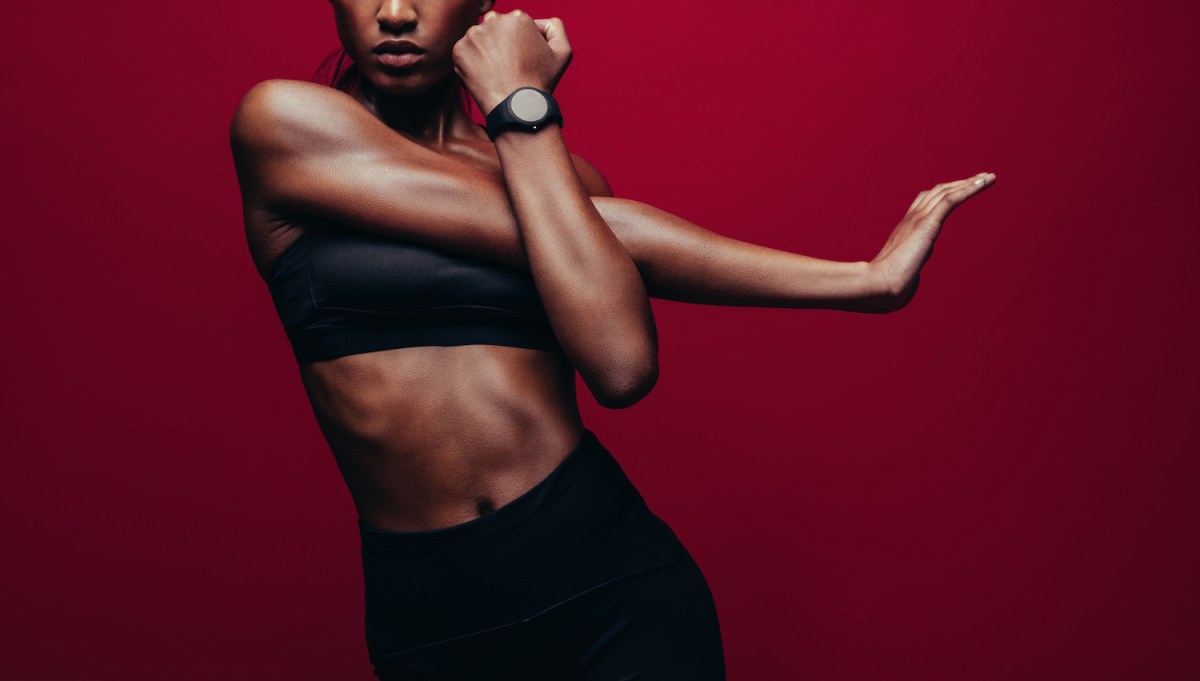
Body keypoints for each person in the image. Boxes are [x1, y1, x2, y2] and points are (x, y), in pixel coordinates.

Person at [229, 1, 995, 678]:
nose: (394, 12)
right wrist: (864, 280)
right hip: (430, 613)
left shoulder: (562, 183)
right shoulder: (289, 126)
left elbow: (623, 367)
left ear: (486, 4)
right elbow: (618, 232)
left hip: (611, 583)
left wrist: (513, 115)